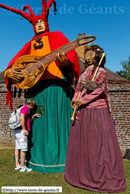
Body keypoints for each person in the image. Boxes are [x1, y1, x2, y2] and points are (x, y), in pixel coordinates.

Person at [0, 0, 80, 173]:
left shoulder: (57, 37)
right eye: (36, 23)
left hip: (57, 90)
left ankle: (61, 159)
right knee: (38, 123)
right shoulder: (29, 45)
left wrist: (64, 61)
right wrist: (9, 73)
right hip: (35, 91)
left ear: (47, 23)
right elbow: (13, 65)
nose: (39, 24)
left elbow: (70, 60)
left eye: (42, 22)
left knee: (58, 124)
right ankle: (32, 159)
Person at [64, 45, 127, 193]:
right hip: (83, 112)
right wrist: (74, 100)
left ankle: (102, 177)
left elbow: (99, 90)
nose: (87, 57)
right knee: (83, 145)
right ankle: (80, 175)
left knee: (98, 145)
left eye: (90, 54)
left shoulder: (101, 72)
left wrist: (83, 101)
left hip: (97, 113)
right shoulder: (85, 72)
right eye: (86, 54)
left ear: (97, 56)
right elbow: (78, 88)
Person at [14, 99, 41, 172]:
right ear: (31, 105)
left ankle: (17, 165)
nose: (33, 108)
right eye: (33, 106)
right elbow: (21, 118)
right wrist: (25, 129)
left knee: (17, 147)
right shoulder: (26, 108)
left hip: (16, 130)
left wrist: (33, 116)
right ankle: (23, 167)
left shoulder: (22, 107)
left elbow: (26, 120)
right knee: (23, 149)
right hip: (21, 131)